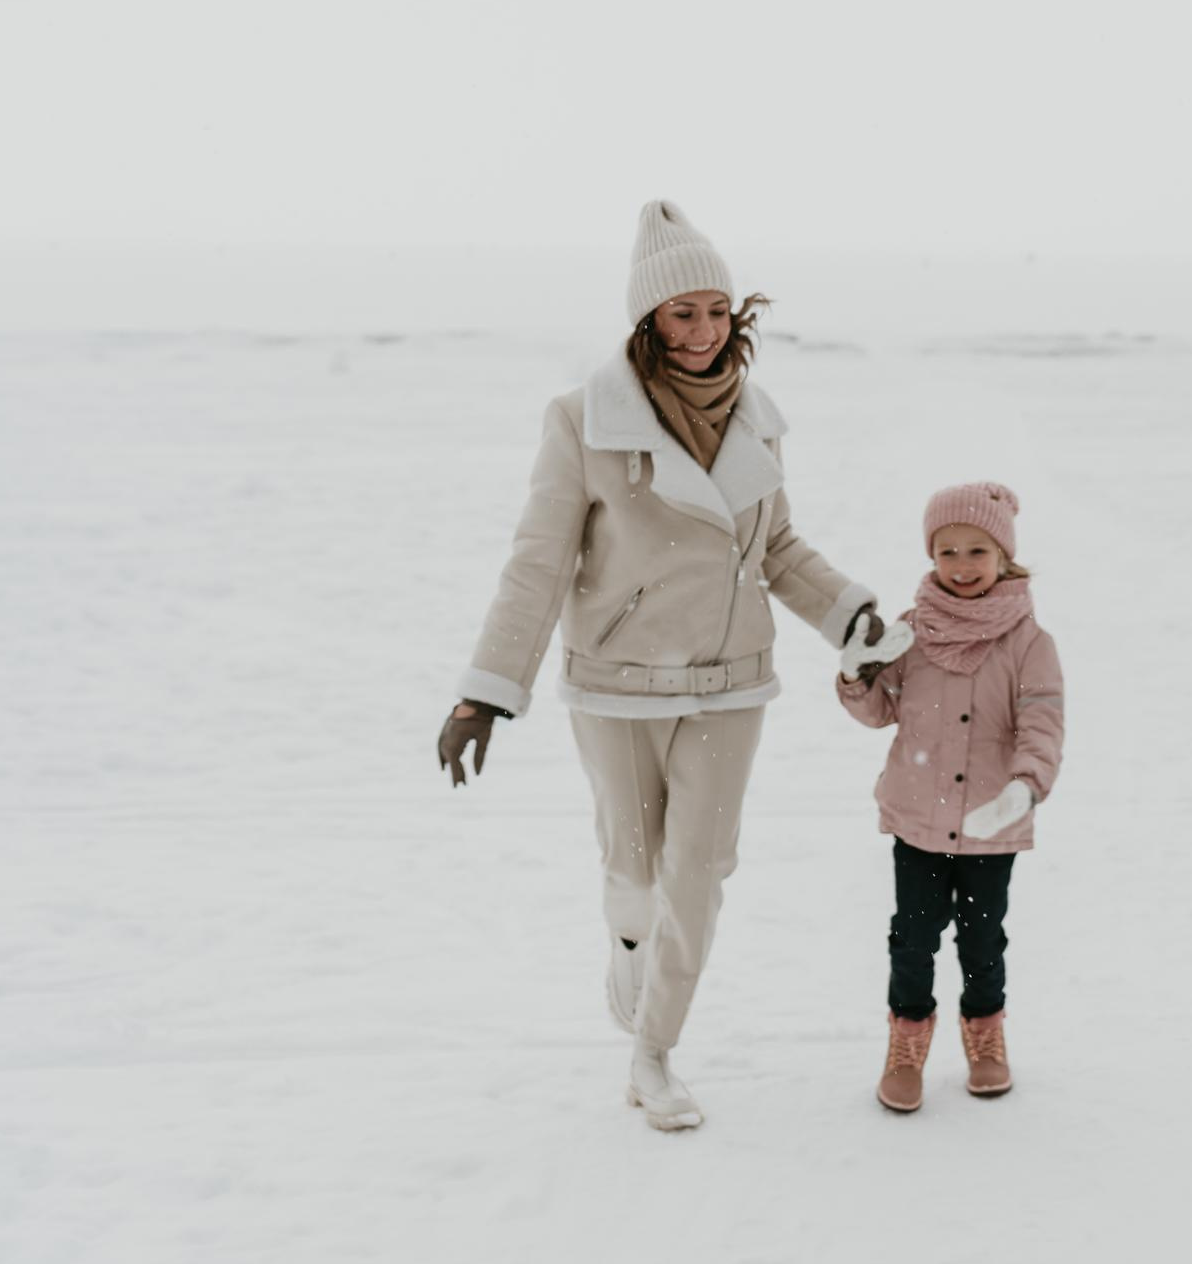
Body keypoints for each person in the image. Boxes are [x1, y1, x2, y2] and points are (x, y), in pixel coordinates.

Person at [436, 199, 888, 1134]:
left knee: (700, 871)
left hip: (732, 680)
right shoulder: (582, 422)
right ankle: (629, 941)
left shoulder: (759, 422)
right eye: (682, 314)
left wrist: (850, 613)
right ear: (646, 323)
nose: (703, 331)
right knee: (638, 876)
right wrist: (485, 693)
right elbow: (538, 562)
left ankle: (653, 1055)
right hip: (618, 683)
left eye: (717, 311)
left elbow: (777, 548)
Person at [836, 482, 1065, 1113]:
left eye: (977, 551)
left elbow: (1042, 722)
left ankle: (985, 1037)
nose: (962, 567)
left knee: (982, 937)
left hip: (993, 822)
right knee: (912, 938)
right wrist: (858, 673)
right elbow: (880, 711)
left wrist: (1026, 787)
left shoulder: (1027, 642)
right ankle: (907, 1042)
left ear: (1004, 557)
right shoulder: (912, 632)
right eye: (948, 552)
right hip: (917, 818)